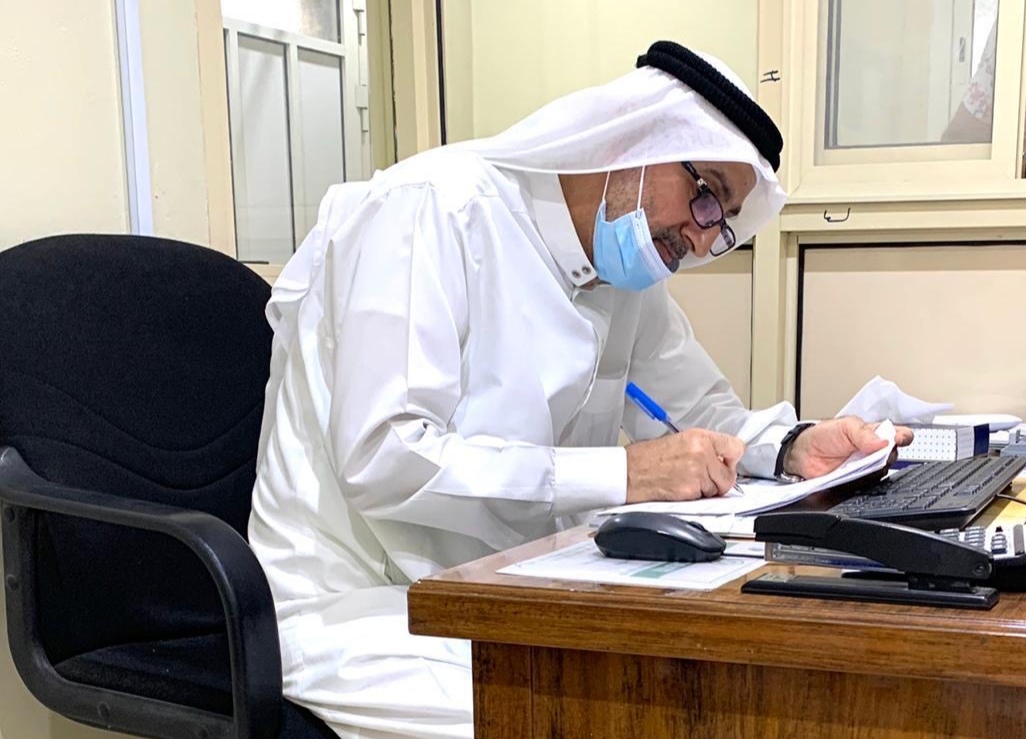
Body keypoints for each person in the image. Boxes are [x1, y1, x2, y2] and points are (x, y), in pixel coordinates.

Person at [248, 40, 913, 739]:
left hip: (508, 587)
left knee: (704, 681)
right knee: (602, 715)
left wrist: (796, 447)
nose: (702, 235)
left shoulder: (623, 274)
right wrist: (626, 473)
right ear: (633, 139)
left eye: (722, 222)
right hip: (358, 602)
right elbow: (384, 457)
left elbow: (699, 410)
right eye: (705, 194)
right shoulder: (432, 210)